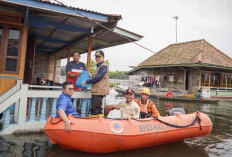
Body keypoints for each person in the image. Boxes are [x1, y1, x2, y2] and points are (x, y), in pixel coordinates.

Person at [81, 50, 109, 117]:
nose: (97, 58)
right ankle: (100, 123)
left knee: (94, 109)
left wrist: (86, 82)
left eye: (99, 57)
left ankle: (93, 123)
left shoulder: (103, 66)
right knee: (98, 109)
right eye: (96, 57)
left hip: (99, 91)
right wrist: (91, 76)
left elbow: (98, 78)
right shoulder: (99, 66)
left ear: (103, 57)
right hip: (98, 90)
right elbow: (99, 77)